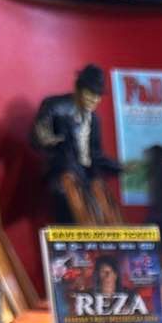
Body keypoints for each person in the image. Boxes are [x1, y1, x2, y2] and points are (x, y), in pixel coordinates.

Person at [30, 65, 122, 222]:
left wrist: (120, 167)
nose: (95, 100)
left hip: (87, 176)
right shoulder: (55, 106)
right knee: (71, 196)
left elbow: (96, 155)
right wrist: (47, 138)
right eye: (90, 93)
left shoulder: (95, 119)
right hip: (65, 174)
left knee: (105, 205)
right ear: (78, 89)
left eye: (98, 95)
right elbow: (37, 137)